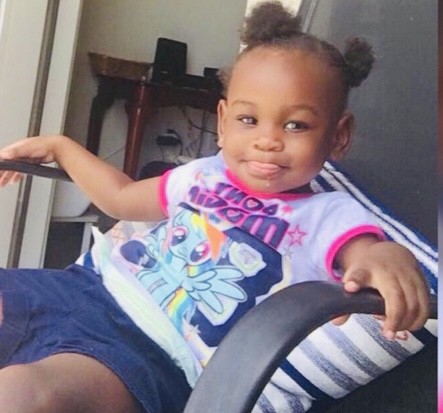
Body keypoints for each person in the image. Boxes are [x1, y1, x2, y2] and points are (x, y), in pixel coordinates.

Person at [0, 2, 431, 413]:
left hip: (150, 356)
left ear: (339, 136)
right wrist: (62, 147)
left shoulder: (328, 214)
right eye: (249, 120)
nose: (267, 140)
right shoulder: (203, 175)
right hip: (81, 289)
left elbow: (368, 252)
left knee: (25, 396)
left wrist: (388, 260)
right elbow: (121, 197)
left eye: (295, 124)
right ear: (223, 122)